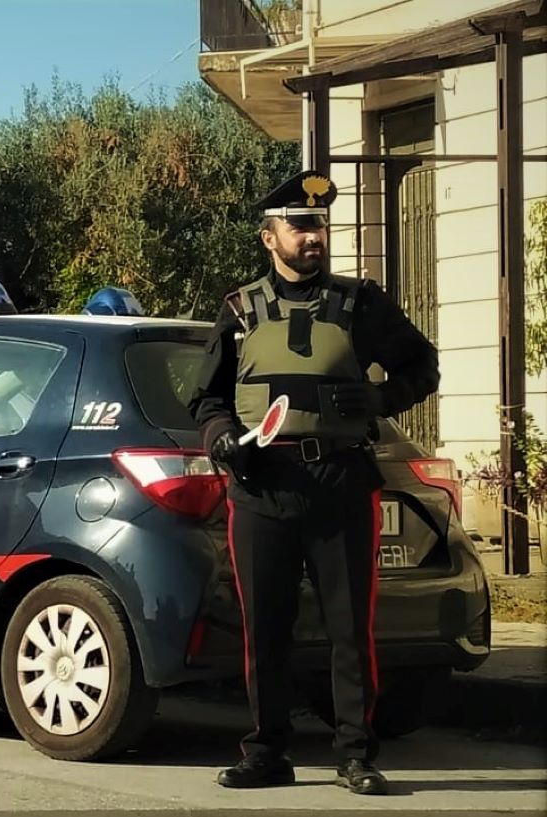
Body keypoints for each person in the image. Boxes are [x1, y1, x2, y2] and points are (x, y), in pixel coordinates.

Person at [187, 170, 439, 795]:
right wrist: (221, 437)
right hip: (262, 485)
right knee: (265, 629)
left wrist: (382, 395)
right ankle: (267, 753)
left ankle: (355, 755)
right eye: (298, 226)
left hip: (340, 484)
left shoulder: (361, 304)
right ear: (269, 238)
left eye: (318, 225)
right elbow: (204, 397)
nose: (312, 236)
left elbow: (423, 366)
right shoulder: (240, 310)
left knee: (350, 629)